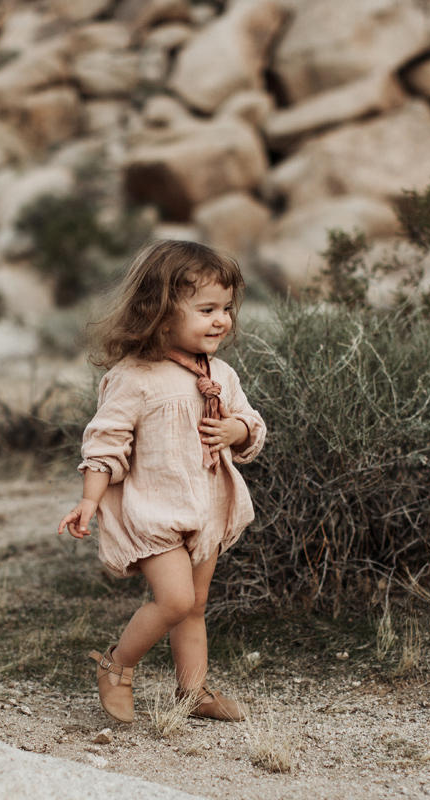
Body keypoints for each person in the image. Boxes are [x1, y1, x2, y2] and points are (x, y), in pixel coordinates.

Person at [57, 239, 265, 724]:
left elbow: (252, 426)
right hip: (155, 511)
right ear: (160, 311)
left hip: (206, 508)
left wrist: (236, 429)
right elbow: (104, 443)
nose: (221, 320)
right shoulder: (136, 377)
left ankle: (193, 693)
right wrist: (89, 501)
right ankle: (116, 666)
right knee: (175, 600)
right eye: (207, 309)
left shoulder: (222, 375)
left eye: (226, 308)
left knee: (196, 606)